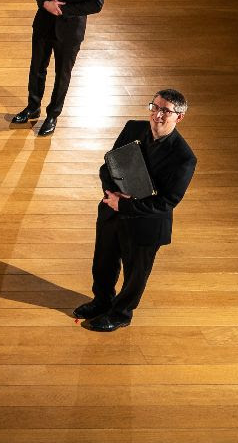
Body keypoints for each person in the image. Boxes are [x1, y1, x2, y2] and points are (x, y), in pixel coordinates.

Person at [74, 90, 196, 332]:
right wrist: (112, 195)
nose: (157, 115)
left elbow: (167, 202)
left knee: (135, 274)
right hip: (112, 210)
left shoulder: (184, 158)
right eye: (155, 107)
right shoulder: (133, 128)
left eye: (166, 111)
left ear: (179, 117)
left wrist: (124, 205)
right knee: (103, 262)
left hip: (146, 224)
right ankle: (102, 301)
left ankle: (121, 313)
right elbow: (108, 165)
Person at [11, 0, 108, 137]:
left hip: (71, 30)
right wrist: (45, 4)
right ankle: (32, 107)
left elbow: (96, 4)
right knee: (37, 67)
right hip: (44, 22)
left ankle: (53, 115)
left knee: (62, 74)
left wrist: (64, 10)